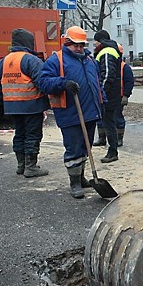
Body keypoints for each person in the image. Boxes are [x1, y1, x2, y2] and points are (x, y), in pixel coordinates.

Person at [37, 26, 105, 199]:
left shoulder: (90, 60)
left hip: (90, 112)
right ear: (66, 43)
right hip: (70, 113)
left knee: (86, 147)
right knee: (74, 148)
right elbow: (43, 82)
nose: (79, 48)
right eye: (75, 45)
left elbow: (97, 83)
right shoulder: (56, 60)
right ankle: (74, 182)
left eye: (81, 45)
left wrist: (102, 100)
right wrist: (63, 83)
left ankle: (81, 177)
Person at [0, 28, 50, 178]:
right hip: (31, 104)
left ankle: (21, 165)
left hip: (12, 106)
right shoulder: (31, 60)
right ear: (29, 43)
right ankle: (31, 167)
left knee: (20, 134)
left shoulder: (4, 61)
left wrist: (1, 104)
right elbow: (42, 82)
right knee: (33, 135)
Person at [94, 43, 134, 147]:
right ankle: (102, 138)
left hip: (118, 97)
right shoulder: (108, 64)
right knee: (101, 118)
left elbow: (129, 82)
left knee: (117, 118)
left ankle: (118, 139)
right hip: (107, 96)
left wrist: (126, 95)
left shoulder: (124, 67)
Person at [92, 29, 122, 163]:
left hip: (109, 94)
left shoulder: (106, 51)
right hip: (112, 93)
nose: (94, 44)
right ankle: (112, 149)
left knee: (109, 122)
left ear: (100, 41)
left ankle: (112, 151)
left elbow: (107, 74)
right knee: (108, 121)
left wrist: (101, 93)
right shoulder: (109, 50)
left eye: (95, 41)